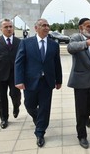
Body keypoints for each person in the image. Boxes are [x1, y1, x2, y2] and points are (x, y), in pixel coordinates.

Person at [15, 18, 62, 147]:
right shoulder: (26, 43)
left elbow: (57, 64)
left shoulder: (54, 45)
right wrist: (19, 80)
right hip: (30, 81)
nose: (46, 27)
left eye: (48, 25)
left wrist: (59, 80)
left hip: (47, 82)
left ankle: (40, 132)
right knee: (29, 104)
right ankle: (38, 117)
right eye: (43, 25)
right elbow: (19, 62)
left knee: (45, 108)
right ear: (36, 28)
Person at [67, 18, 90, 149]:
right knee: (80, 110)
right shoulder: (77, 37)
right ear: (81, 28)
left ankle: (86, 117)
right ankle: (82, 136)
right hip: (80, 80)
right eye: (87, 26)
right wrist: (86, 43)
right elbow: (70, 47)